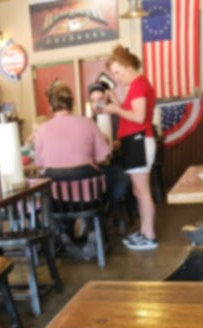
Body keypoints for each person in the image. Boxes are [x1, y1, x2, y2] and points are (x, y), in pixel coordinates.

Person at [33, 81, 110, 251]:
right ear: (72, 103)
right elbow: (103, 157)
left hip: (57, 201)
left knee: (50, 192)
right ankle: (91, 233)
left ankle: (64, 235)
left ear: (51, 106)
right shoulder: (88, 124)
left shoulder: (41, 130)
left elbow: (39, 165)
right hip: (89, 199)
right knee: (109, 181)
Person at [103, 45, 158, 250]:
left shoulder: (138, 84)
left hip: (139, 141)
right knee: (138, 190)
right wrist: (118, 102)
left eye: (117, 72)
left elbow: (139, 116)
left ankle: (149, 235)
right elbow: (132, 111)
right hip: (135, 141)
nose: (116, 77)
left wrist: (115, 108)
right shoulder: (136, 85)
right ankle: (144, 231)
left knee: (142, 191)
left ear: (127, 66)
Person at [88, 81, 132, 227]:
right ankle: (97, 217)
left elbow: (125, 140)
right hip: (95, 167)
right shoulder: (89, 123)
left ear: (106, 99)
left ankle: (107, 212)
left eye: (100, 100)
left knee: (114, 179)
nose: (97, 104)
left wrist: (117, 142)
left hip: (117, 162)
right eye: (93, 101)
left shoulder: (117, 118)